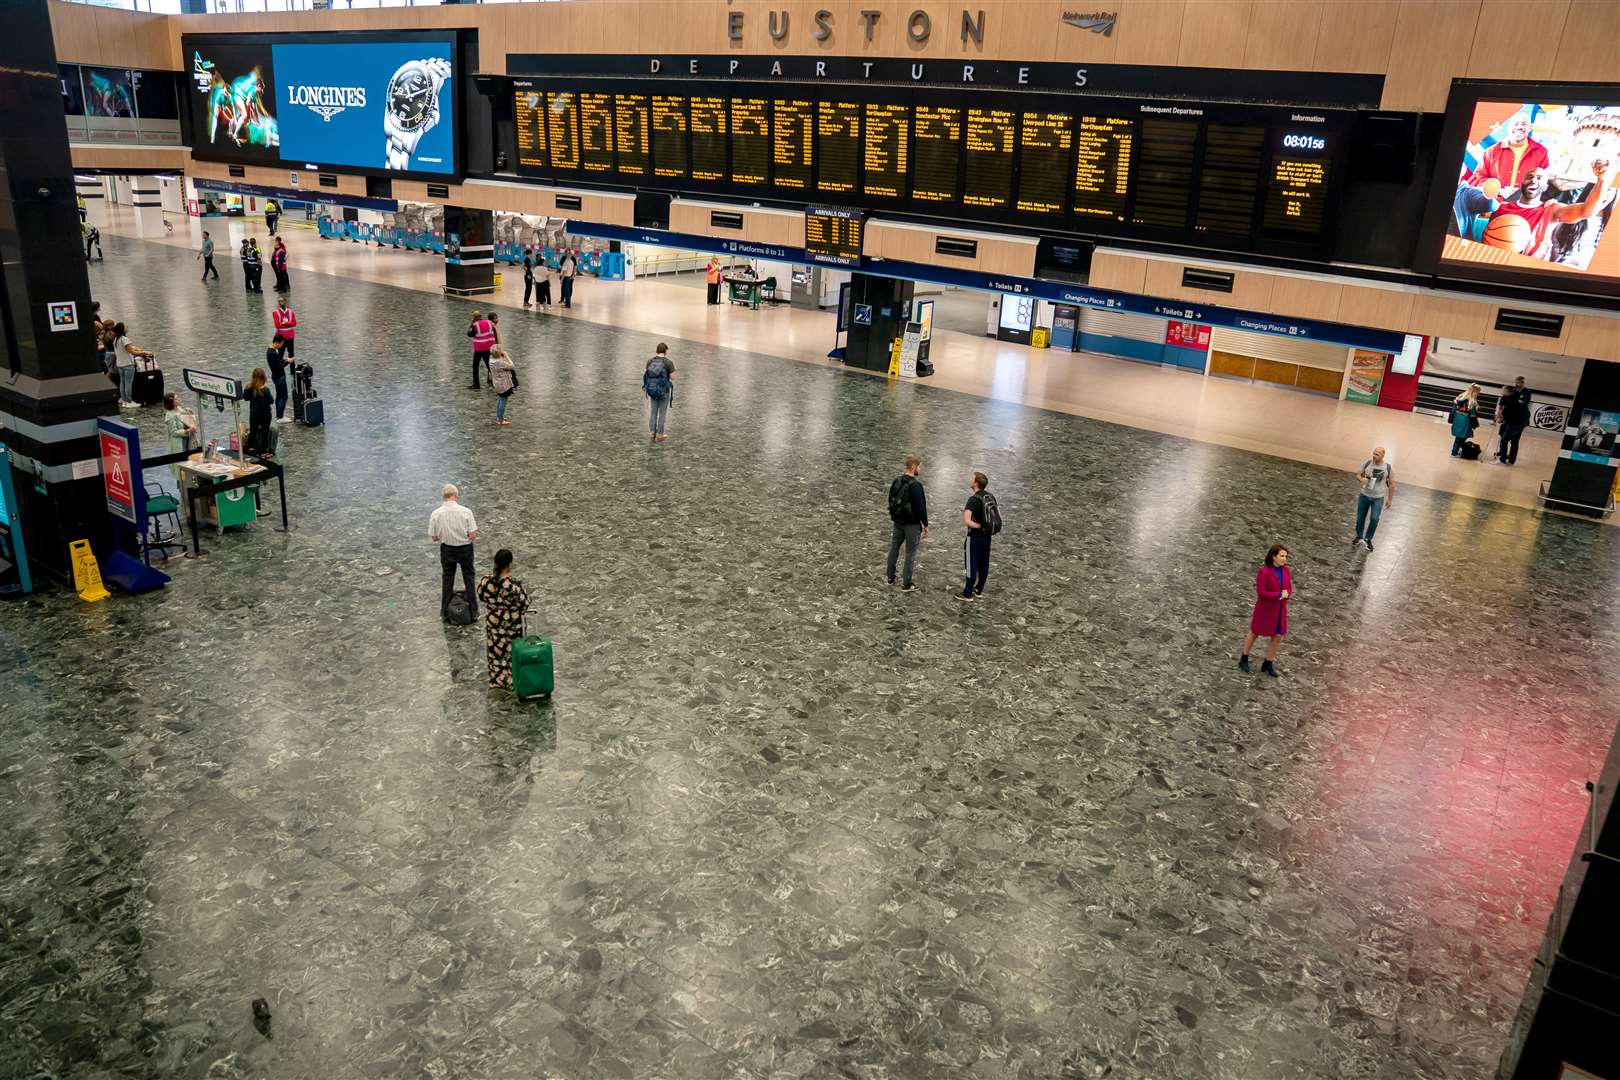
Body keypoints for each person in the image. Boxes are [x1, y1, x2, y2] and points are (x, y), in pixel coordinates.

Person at [1479, 162, 1612, 261]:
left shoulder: (1551, 210)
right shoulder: (1501, 207)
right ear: (1522, 183)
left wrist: (1602, 180)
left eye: (1539, 178)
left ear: (1545, 187)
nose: (1533, 180)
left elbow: (1586, 211)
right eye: (1530, 177)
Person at [1450, 114, 1551, 236]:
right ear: (1509, 127)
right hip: (1495, 209)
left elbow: (1544, 181)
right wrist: (1498, 190)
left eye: (1524, 124)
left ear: (1530, 127)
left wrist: (1547, 202)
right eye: (1515, 123)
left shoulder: (1542, 152)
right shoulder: (1491, 151)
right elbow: (1479, 177)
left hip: (1525, 209)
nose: (1519, 127)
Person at [477, 549, 529, 689]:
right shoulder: (513, 586)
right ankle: (512, 678)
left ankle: (497, 678)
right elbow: (525, 603)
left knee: (495, 650)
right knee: (511, 650)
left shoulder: (486, 581)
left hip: (493, 624)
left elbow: (481, 596)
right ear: (509, 564)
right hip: (511, 626)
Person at [1240, 544, 1291, 678]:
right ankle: (1244, 658)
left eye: (1285, 556)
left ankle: (1268, 663)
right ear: (1273, 556)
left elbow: (1288, 588)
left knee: (1278, 636)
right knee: (1254, 632)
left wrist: (1286, 594)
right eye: (1282, 556)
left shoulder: (1286, 571)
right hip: (1265, 609)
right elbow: (1261, 592)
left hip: (1279, 609)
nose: (1284, 559)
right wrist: (1279, 595)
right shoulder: (1264, 572)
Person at [429, 483, 478, 623]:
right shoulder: (466, 511)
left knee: (447, 579)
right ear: (456, 496)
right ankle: (473, 611)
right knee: (469, 578)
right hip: (465, 549)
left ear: (443, 497)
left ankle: (444, 612)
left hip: (447, 550)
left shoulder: (436, 514)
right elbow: (473, 535)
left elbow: (434, 537)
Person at [885, 454, 928, 592]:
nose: (920, 469)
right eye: (920, 466)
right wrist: (925, 525)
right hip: (912, 525)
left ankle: (890, 577)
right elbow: (921, 508)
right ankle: (907, 583)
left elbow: (890, 499)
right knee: (910, 553)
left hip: (898, 521)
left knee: (894, 548)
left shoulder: (896, 481)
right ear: (914, 467)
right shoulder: (916, 485)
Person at [957, 471, 992, 602]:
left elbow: (966, 520)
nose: (970, 480)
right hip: (987, 537)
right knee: (984, 563)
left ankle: (967, 593)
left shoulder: (973, 499)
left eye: (972, 478)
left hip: (975, 537)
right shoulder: (990, 496)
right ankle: (979, 590)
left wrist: (978, 526)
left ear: (976, 483)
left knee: (971, 563)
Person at [1353, 447, 1395, 551]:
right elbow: (1357, 474)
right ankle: (1359, 536)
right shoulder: (1367, 463)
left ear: (1383, 455)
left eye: (1377, 454)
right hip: (1364, 495)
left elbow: (1392, 484)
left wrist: (1390, 499)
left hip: (1378, 498)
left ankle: (1368, 539)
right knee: (1360, 517)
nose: (1374, 456)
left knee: (1374, 519)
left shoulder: (1387, 468)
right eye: (1374, 453)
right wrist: (1361, 479)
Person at [110, 322, 153, 409]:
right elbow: (132, 351)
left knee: (122, 382)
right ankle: (129, 401)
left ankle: (124, 401)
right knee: (128, 383)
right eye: (125, 326)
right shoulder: (125, 339)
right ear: (122, 329)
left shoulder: (115, 339)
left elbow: (131, 348)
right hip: (128, 364)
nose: (127, 327)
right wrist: (144, 352)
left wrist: (139, 349)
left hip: (119, 364)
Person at [162, 393, 197, 488]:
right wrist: (187, 430)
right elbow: (174, 432)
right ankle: (181, 487)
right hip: (178, 443)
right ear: (171, 402)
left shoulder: (180, 409)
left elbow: (187, 418)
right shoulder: (170, 415)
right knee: (180, 465)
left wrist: (190, 413)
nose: (179, 400)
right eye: (176, 399)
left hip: (187, 440)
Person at [643, 342, 675, 442]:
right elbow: (673, 377)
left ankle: (652, 432)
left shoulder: (650, 361)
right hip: (663, 391)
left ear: (657, 350)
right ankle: (660, 435)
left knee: (653, 412)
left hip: (652, 390)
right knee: (662, 413)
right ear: (665, 351)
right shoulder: (668, 362)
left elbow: (647, 374)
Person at [1497, 376, 1532, 465]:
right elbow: (1503, 408)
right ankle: (1503, 454)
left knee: (1511, 440)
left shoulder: (1527, 392)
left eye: (1521, 382)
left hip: (1520, 419)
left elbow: (1523, 403)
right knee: (1504, 436)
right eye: (1517, 382)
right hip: (1512, 419)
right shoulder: (1513, 391)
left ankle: (1505, 459)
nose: (1519, 384)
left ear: (1523, 383)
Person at [243, 367, 274, 459]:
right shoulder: (265, 390)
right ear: (263, 377)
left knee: (253, 431)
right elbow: (271, 401)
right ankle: (263, 451)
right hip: (265, 414)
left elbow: (246, 398)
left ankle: (251, 448)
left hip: (254, 414)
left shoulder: (248, 388)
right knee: (265, 432)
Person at [467, 310, 497, 389]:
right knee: (489, 365)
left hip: (479, 348)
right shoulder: (489, 322)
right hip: (488, 347)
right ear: (481, 316)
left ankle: (476, 384)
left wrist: (471, 323)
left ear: (475, 317)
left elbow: (469, 334)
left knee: (475, 366)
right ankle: (495, 381)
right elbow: (494, 331)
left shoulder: (475, 325)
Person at [1449, 384, 1481, 457]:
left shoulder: (1459, 398)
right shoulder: (1471, 402)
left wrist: (1451, 419)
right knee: (1461, 437)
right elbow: (1473, 415)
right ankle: (1454, 452)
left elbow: (1453, 410)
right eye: (1478, 392)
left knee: (1459, 437)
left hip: (1457, 420)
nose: (1479, 394)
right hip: (1465, 421)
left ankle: (1456, 450)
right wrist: (1474, 424)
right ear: (1475, 392)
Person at [266, 333, 291, 424]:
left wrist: (283, 360)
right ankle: (280, 416)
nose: (281, 346)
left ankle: (278, 415)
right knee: (284, 396)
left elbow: (276, 363)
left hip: (275, 376)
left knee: (279, 396)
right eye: (281, 344)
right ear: (277, 343)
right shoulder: (273, 353)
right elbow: (279, 366)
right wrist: (288, 361)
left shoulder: (270, 351)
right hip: (279, 376)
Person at [490, 345, 516, 425]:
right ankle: (500, 420)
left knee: (500, 399)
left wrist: (501, 356)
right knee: (503, 401)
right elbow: (512, 366)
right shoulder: (500, 362)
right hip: (504, 385)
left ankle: (499, 417)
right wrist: (507, 356)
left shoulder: (491, 359)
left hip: (497, 384)